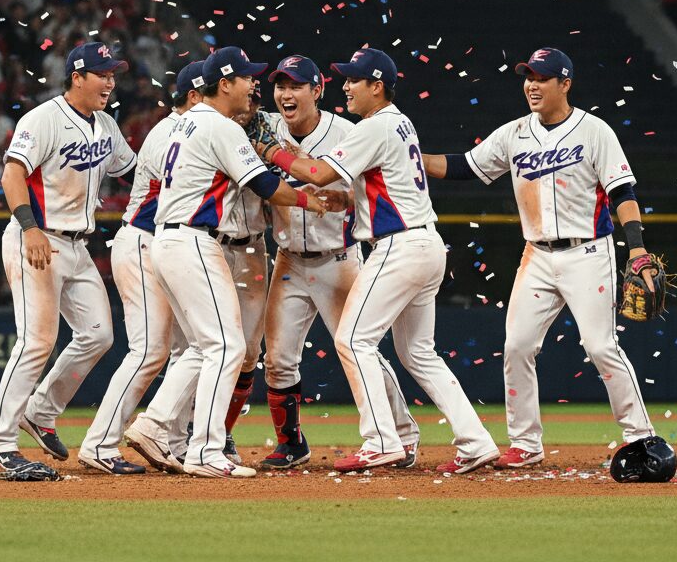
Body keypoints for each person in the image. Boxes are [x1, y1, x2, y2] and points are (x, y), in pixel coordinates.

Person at [253, 47, 498, 474]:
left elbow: (315, 174)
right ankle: (476, 441)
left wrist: (270, 151)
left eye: (354, 80)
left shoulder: (374, 127)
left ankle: (381, 440)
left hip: (398, 247)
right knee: (420, 354)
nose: (346, 87)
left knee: (352, 340)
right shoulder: (400, 122)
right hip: (425, 244)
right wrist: (344, 199)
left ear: (377, 86)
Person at [422, 47, 663, 469]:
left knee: (601, 345)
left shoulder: (595, 131)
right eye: (528, 77)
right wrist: (408, 159)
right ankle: (526, 444)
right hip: (536, 255)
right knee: (516, 345)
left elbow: (622, 191)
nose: (532, 85)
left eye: (542, 78)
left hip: (588, 252)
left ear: (564, 84)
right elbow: (465, 166)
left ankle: (641, 436)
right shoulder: (514, 133)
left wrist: (637, 246)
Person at [145, 46, 327, 479]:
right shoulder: (221, 126)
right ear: (223, 84)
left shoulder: (184, 121)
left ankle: (154, 424)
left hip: (170, 238)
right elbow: (267, 185)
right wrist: (309, 200)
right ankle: (205, 451)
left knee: (204, 348)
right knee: (227, 346)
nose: (253, 85)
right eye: (246, 78)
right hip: (195, 240)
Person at [0, 42, 136, 478]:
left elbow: (135, 169)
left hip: (78, 245)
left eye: (113, 74)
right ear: (77, 77)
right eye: (102, 73)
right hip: (38, 237)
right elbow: (11, 173)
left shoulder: (106, 124)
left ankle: (41, 410)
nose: (110, 81)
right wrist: (29, 228)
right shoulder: (43, 119)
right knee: (36, 341)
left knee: (99, 334)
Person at [259, 55, 418, 469]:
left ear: (317, 90)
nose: (285, 94)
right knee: (277, 360)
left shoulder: (348, 132)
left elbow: (360, 193)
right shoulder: (268, 126)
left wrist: (343, 199)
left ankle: (402, 434)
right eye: (279, 86)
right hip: (289, 259)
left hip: (339, 258)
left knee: (360, 349)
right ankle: (291, 443)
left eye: (295, 86)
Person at [79, 61, 204, 474]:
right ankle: (100, 443)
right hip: (145, 242)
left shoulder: (181, 128)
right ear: (194, 96)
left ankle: (174, 439)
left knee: (193, 347)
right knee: (150, 349)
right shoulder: (179, 131)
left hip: (162, 244)